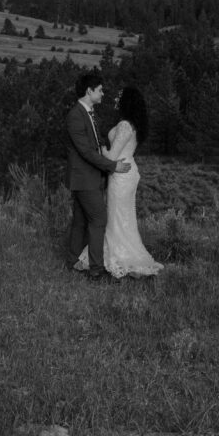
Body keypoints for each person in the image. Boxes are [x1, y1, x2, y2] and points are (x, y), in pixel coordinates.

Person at [77, 85, 163, 280]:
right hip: (126, 172)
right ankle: (121, 254)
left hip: (121, 175)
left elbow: (112, 156)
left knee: (116, 217)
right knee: (124, 217)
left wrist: (98, 147)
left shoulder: (124, 125)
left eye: (119, 95)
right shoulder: (132, 124)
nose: (115, 97)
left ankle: (118, 257)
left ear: (127, 101)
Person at [64, 71, 131, 282]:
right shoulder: (75, 115)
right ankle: (96, 271)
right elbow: (86, 152)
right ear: (89, 91)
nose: (103, 94)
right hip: (84, 178)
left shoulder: (90, 113)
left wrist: (105, 149)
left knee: (81, 221)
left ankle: (72, 261)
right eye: (100, 90)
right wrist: (113, 166)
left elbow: (96, 144)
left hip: (89, 177)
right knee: (99, 218)